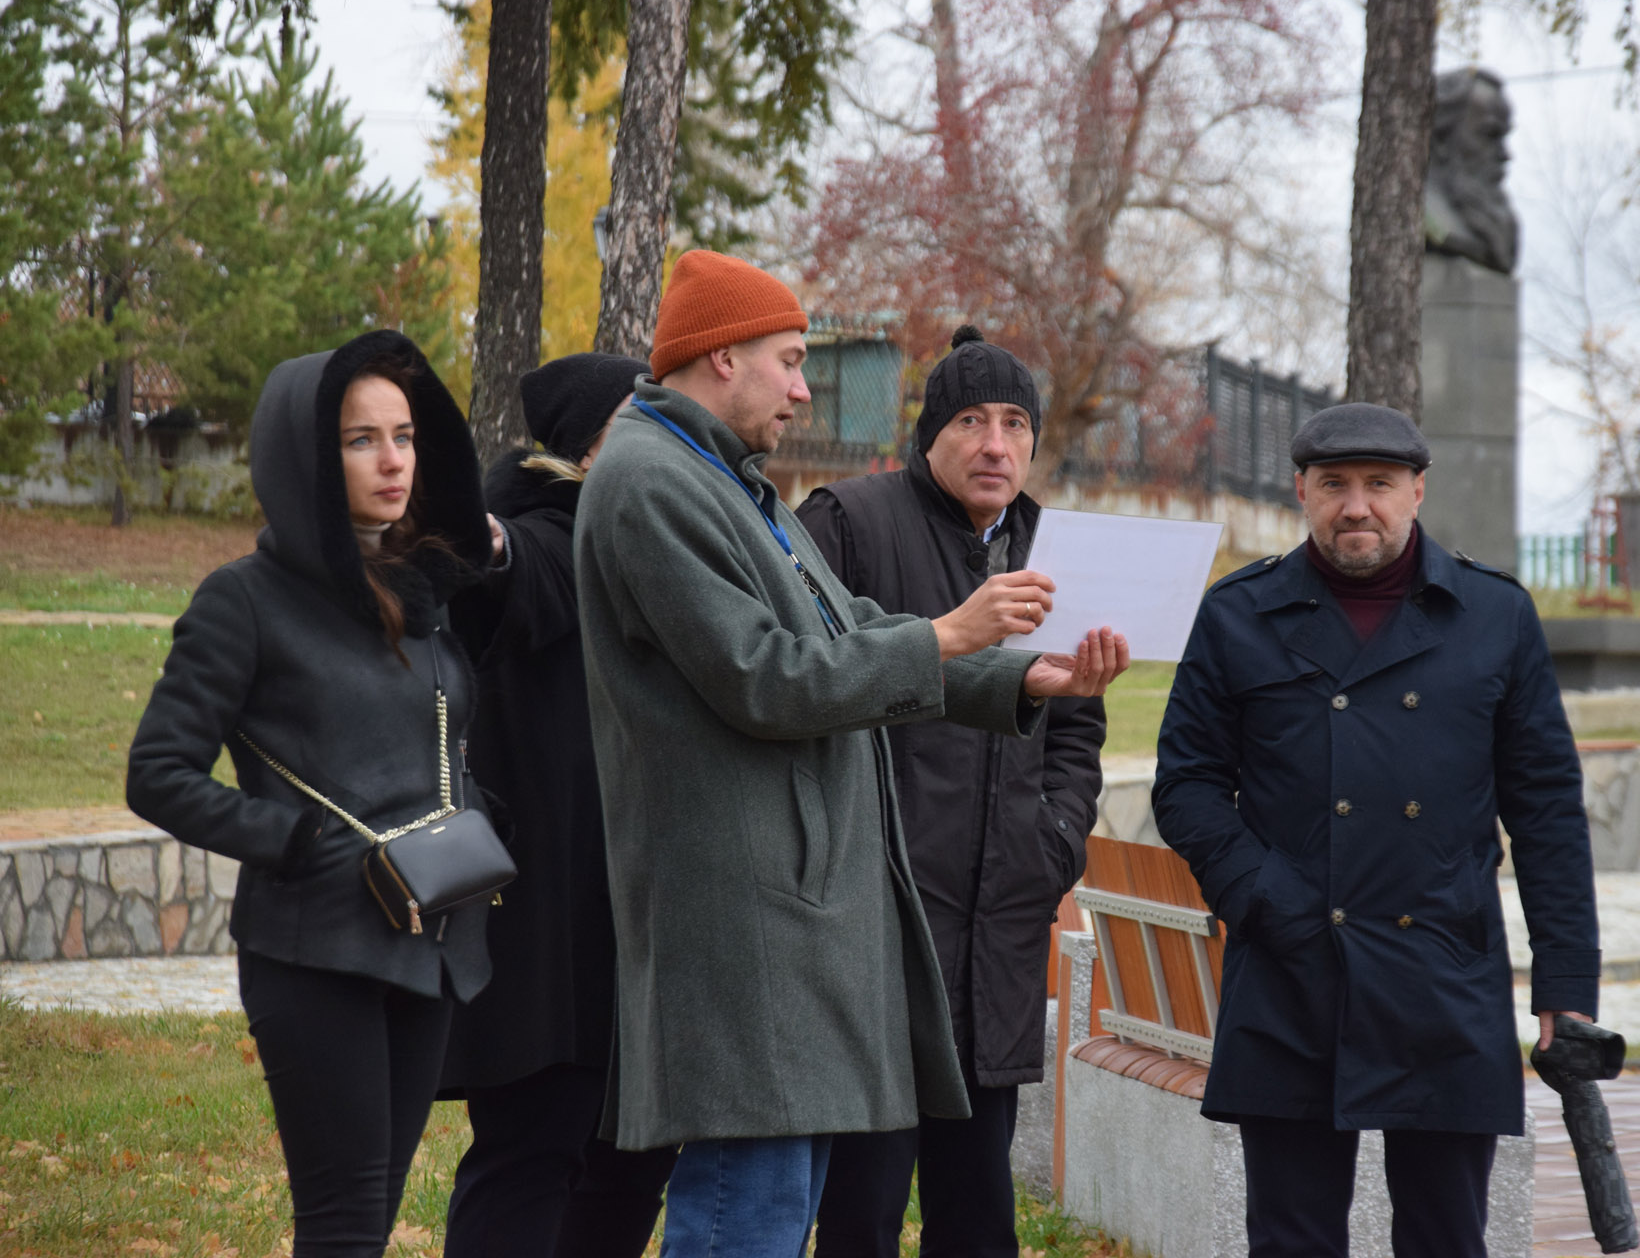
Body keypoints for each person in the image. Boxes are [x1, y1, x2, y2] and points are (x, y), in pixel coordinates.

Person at [573, 250, 1129, 1258]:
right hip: (748, 930)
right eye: (787, 361)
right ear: (718, 355)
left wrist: (1018, 679)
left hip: (791, 928)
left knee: (776, 1215)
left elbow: (847, 625)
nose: (801, 387)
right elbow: (766, 673)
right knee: (745, 1215)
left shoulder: (726, 480)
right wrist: (950, 635)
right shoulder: (650, 482)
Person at [1150, 402, 1600, 1258]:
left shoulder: (1495, 616)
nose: (1357, 506)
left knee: (1445, 1240)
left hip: (1443, 974)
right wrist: (1259, 894)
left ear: (1418, 491)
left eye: (1380, 486)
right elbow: (1189, 784)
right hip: (1288, 973)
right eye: (1335, 486)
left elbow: (1546, 811)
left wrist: (1565, 991)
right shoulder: (1238, 614)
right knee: (1290, 1242)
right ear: (1301, 492)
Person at [126, 330, 495, 1257]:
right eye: (359, 439)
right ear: (306, 454)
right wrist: (290, 840)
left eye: (405, 436)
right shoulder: (244, 600)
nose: (392, 460)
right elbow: (157, 772)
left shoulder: (423, 592)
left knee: (373, 1217)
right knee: (341, 1223)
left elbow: (441, 746)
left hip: (428, 940)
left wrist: (484, 817)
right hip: (315, 952)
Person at [797, 326, 1106, 1258]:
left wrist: (1054, 836)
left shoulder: (1056, 546)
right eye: (972, 421)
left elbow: (1077, 720)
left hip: (1001, 922)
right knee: (863, 1206)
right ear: (929, 433)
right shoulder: (848, 523)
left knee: (978, 1214)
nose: (996, 444)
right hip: (880, 922)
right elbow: (807, 681)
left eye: (1016, 423)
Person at [440, 353, 677, 1258]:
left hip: (617, 935)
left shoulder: (638, 532)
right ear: (592, 445)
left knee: (625, 1164)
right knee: (529, 1160)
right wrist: (485, 543)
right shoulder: (551, 526)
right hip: (540, 935)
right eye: (645, 418)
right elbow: (518, 568)